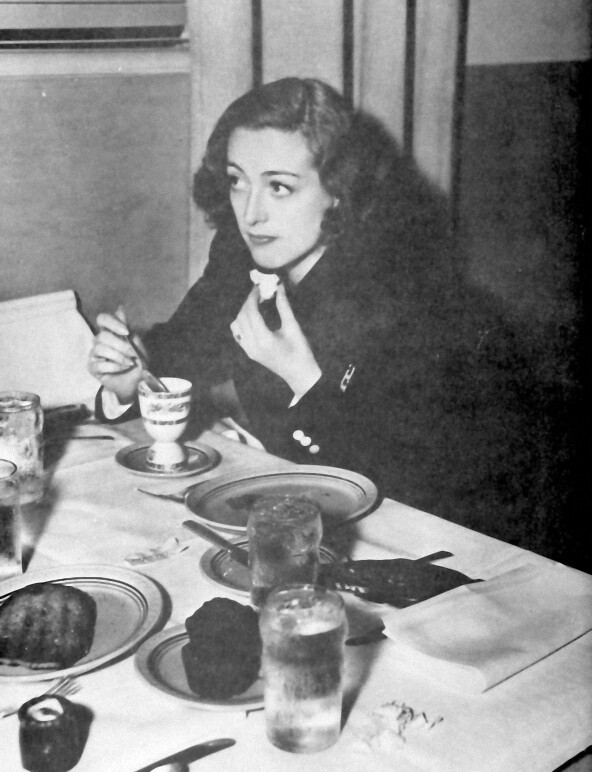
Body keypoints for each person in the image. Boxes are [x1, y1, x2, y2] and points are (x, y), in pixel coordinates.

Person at [88, 77, 577, 564]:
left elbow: (414, 485)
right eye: (238, 180)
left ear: (339, 191)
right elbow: (179, 349)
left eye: (279, 187)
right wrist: (133, 379)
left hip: (450, 544)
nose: (251, 214)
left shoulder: (405, 292)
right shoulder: (241, 253)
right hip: (299, 521)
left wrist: (306, 381)